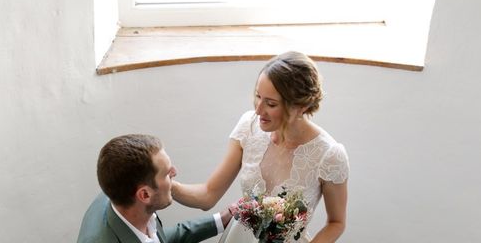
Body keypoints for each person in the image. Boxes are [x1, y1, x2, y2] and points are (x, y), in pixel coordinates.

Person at [171, 51, 349, 243]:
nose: (258, 110)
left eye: (271, 104)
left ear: (301, 106)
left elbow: (336, 223)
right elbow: (208, 195)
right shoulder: (248, 126)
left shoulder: (330, 155)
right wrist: (165, 185)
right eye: (258, 96)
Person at [77, 134, 233, 243]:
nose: (175, 172)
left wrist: (220, 220)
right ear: (144, 195)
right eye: (166, 173)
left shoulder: (126, 199)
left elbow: (158, 239)